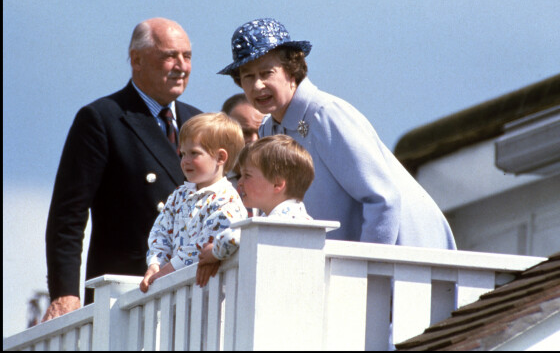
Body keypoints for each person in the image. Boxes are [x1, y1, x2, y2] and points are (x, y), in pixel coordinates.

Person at [217, 18, 457, 250]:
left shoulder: (325, 114)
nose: (257, 85)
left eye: (267, 73)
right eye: (248, 76)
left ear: (291, 72)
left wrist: (365, 270)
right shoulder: (267, 129)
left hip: (407, 258)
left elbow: (382, 199)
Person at [43, 18, 203, 322]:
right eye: (170, 56)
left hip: (191, 293)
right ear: (137, 60)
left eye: (187, 56)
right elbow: (68, 217)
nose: (181, 66)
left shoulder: (199, 123)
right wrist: (65, 294)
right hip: (125, 297)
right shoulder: (103, 119)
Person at [140, 112, 247, 293]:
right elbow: (161, 231)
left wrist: (169, 270)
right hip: (175, 290)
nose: (185, 161)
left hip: (209, 291)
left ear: (221, 158)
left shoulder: (227, 199)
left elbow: (206, 245)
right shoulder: (178, 195)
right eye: (182, 154)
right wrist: (155, 264)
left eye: (194, 153)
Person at [195, 134, 315, 287]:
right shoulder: (294, 217)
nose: (239, 182)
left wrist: (214, 252)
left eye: (247, 175)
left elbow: (233, 238)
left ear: (277, 184)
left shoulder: (279, 221)